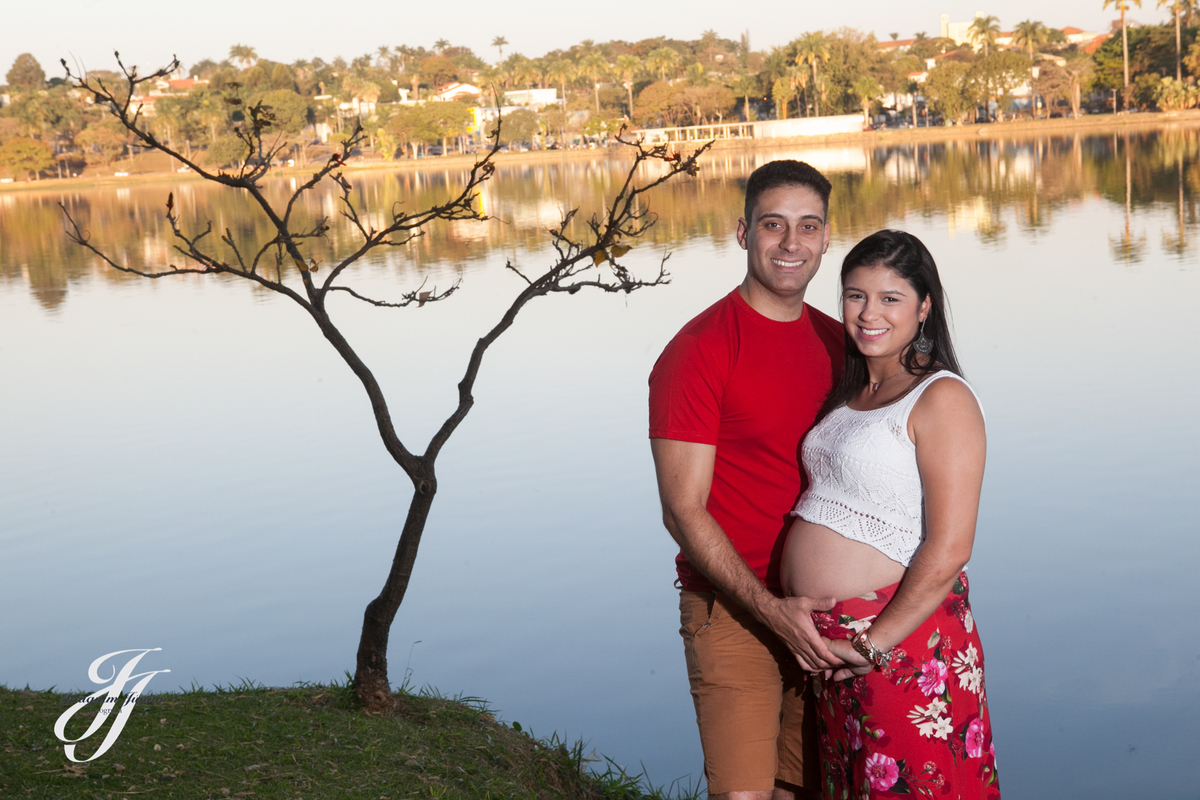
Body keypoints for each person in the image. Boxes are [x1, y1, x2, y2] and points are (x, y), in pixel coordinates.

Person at [648, 160, 845, 800]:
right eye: (773, 225)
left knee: (813, 787)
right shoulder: (700, 349)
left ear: (825, 237)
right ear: (742, 232)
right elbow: (682, 509)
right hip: (734, 607)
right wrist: (771, 612)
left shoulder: (843, 345)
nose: (791, 244)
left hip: (827, 611)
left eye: (807, 226)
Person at [780, 229, 1000, 799]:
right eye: (855, 295)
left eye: (890, 298)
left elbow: (950, 548)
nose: (868, 313)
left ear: (924, 306)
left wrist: (872, 644)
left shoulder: (941, 398)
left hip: (900, 645)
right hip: (836, 647)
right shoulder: (856, 391)